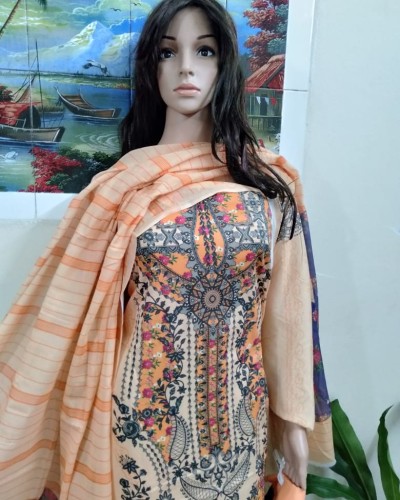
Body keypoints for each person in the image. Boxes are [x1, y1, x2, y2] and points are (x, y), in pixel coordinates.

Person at [0, 0, 334, 499]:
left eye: (205, 51)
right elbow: (71, 317)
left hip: (240, 423)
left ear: (225, 65)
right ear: (150, 68)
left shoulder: (270, 183)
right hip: (139, 426)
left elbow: (287, 316)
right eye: (167, 52)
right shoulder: (120, 189)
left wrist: (293, 424)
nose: (185, 68)